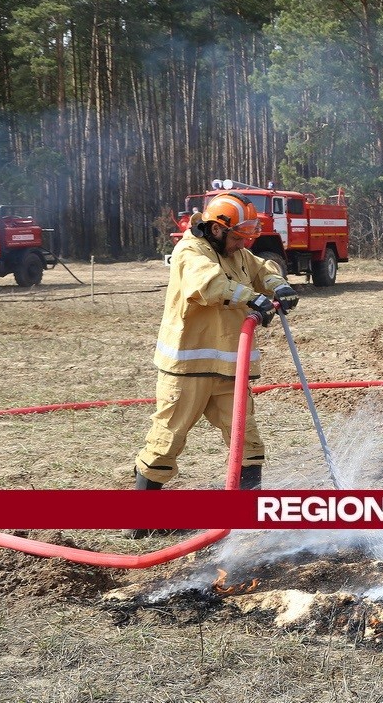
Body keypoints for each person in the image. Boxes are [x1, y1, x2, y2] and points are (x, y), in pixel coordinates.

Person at [127, 192, 299, 537]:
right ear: (217, 229)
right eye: (237, 236)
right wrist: (254, 297)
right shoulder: (191, 252)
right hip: (188, 369)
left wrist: (278, 285)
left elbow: (260, 267)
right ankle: (139, 521)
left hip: (229, 370)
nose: (241, 244)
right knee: (167, 441)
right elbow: (208, 285)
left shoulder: (235, 251)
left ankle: (246, 518)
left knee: (248, 441)